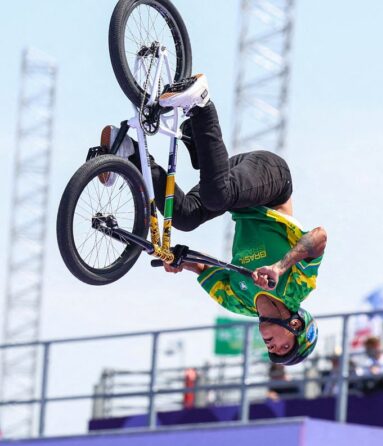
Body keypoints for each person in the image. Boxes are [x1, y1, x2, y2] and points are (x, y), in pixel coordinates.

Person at [95, 75, 326, 365]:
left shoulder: (238, 302)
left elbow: (204, 267)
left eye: (272, 353)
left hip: (234, 195)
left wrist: (179, 261)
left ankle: (130, 153)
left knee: (185, 216)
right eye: (282, 348)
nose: (271, 348)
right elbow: (319, 237)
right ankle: (201, 104)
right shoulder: (297, 288)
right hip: (272, 181)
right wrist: (280, 267)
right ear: (295, 326)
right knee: (218, 196)